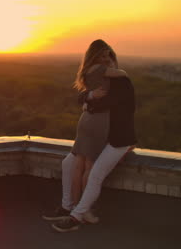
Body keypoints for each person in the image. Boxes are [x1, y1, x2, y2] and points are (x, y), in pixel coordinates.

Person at [42, 40, 127, 222]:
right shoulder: (104, 71)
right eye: (103, 55)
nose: (106, 59)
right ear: (95, 56)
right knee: (89, 167)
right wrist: (113, 65)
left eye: (108, 56)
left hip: (86, 121)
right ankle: (80, 207)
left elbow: (84, 95)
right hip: (98, 122)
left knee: (76, 166)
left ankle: (71, 205)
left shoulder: (87, 70)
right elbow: (122, 74)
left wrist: (88, 97)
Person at [50, 65, 137, 232]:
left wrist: (88, 103)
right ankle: (68, 206)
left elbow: (103, 103)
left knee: (95, 174)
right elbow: (83, 97)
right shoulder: (106, 82)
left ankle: (77, 215)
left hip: (118, 141)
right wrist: (89, 97)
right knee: (68, 164)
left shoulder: (122, 83)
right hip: (104, 138)